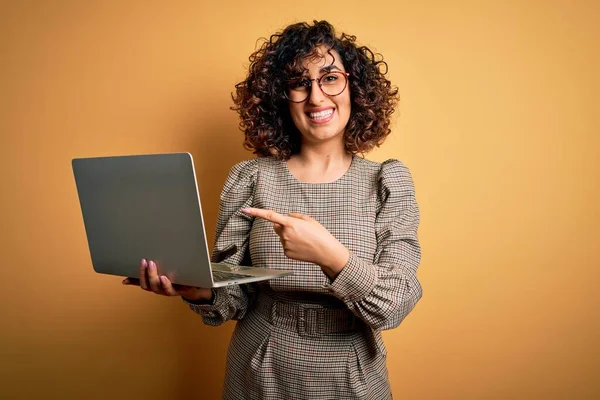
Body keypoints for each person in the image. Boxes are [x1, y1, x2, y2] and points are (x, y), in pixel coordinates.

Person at [124, 20, 422, 399]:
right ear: (282, 97)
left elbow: (394, 305)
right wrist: (200, 290)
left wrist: (330, 255)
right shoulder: (251, 178)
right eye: (299, 83)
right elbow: (235, 296)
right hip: (259, 369)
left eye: (330, 78)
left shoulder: (387, 181)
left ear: (356, 88)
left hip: (350, 375)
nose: (316, 97)